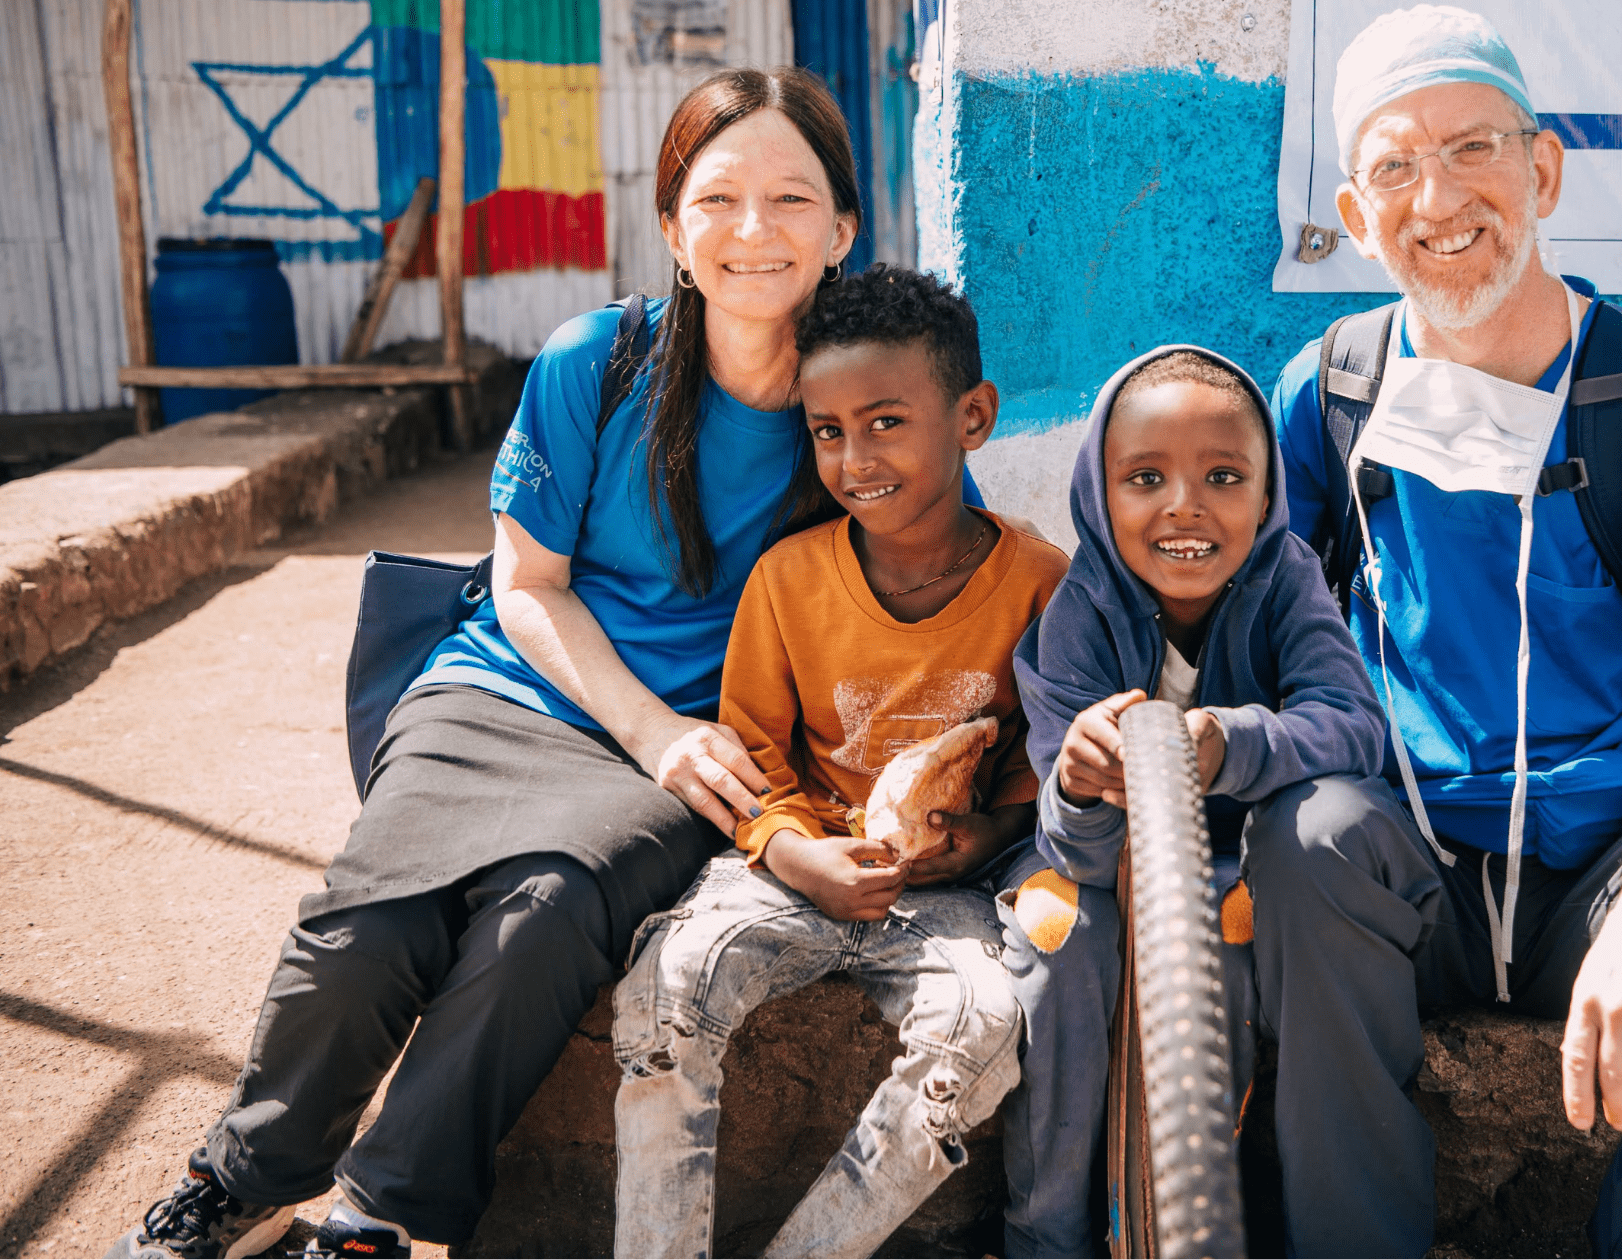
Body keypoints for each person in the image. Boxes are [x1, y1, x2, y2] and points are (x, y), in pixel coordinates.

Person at [105, 69, 991, 1259]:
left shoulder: (869, 405)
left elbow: (931, 583)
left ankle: (375, 1222)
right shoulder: (597, 361)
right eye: (717, 200)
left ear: (841, 228)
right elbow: (527, 587)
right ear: (673, 229)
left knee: (543, 916)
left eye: (791, 200)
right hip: (520, 692)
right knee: (371, 922)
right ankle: (240, 1175)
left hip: (701, 741)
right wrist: (650, 733)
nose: (752, 232)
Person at [1254, 6, 1622, 1256]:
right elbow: (1233, 627)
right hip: (1402, 875)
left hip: (1605, 874)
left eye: (1473, 148)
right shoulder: (1326, 393)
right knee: (1303, 830)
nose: (1438, 197)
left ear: (1541, 170)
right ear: (1357, 218)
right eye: (1392, 166)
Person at [610, 266, 1070, 1258]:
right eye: (828, 431)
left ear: (972, 417)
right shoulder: (787, 581)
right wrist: (792, 853)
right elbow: (755, 761)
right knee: (664, 995)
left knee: (980, 1036)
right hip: (787, 873)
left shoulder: (1038, 584)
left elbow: (1044, 762)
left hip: (953, 899)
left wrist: (981, 837)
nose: (855, 458)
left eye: (886, 422)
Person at [1004, 346, 1391, 1256]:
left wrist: (1232, 742)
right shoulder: (1080, 610)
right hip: (1090, 874)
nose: (1185, 505)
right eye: (1145, 478)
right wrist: (1083, 786)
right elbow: (1074, 846)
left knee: (1236, 953)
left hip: (1232, 867)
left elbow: (1352, 729)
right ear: (1100, 496)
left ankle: (1213, 1226)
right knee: (1056, 953)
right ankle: (1045, 1236)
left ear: (1267, 495)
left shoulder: (1284, 579)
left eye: (1224, 476)